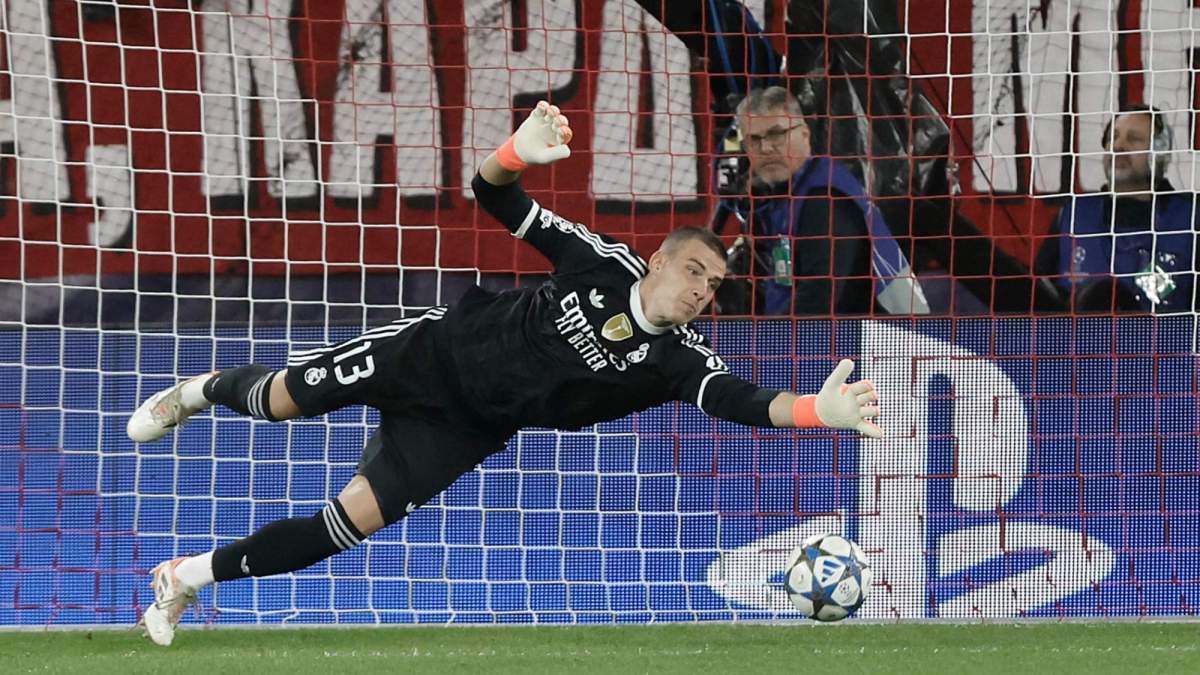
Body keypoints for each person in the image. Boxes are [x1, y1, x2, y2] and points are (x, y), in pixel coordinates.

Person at [126, 101, 883, 646]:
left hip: (466, 426)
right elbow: (491, 192)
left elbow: (741, 400)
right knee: (276, 401)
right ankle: (194, 391)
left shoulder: (678, 357)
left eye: (712, 285)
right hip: (429, 354)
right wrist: (516, 150)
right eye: (692, 271)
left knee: (345, 524)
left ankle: (185, 578)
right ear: (658, 260)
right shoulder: (599, 261)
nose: (699, 290)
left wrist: (820, 409)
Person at [725, 86, 928, 316]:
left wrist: (769, 344)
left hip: (869, 342)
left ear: (804, 134)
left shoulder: (825, 198)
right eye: (754, 139)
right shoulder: (788, 194)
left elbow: (818, 299)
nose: (766, 148)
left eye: (777, 134)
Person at [1035, 105, 1197, 312]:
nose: (1118, 146)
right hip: (1079, 343)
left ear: (1161, 154)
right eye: (1114, 137)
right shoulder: (1073, 216)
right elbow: (1038, 301)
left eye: (1134, 139)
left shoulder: (1190, 221)